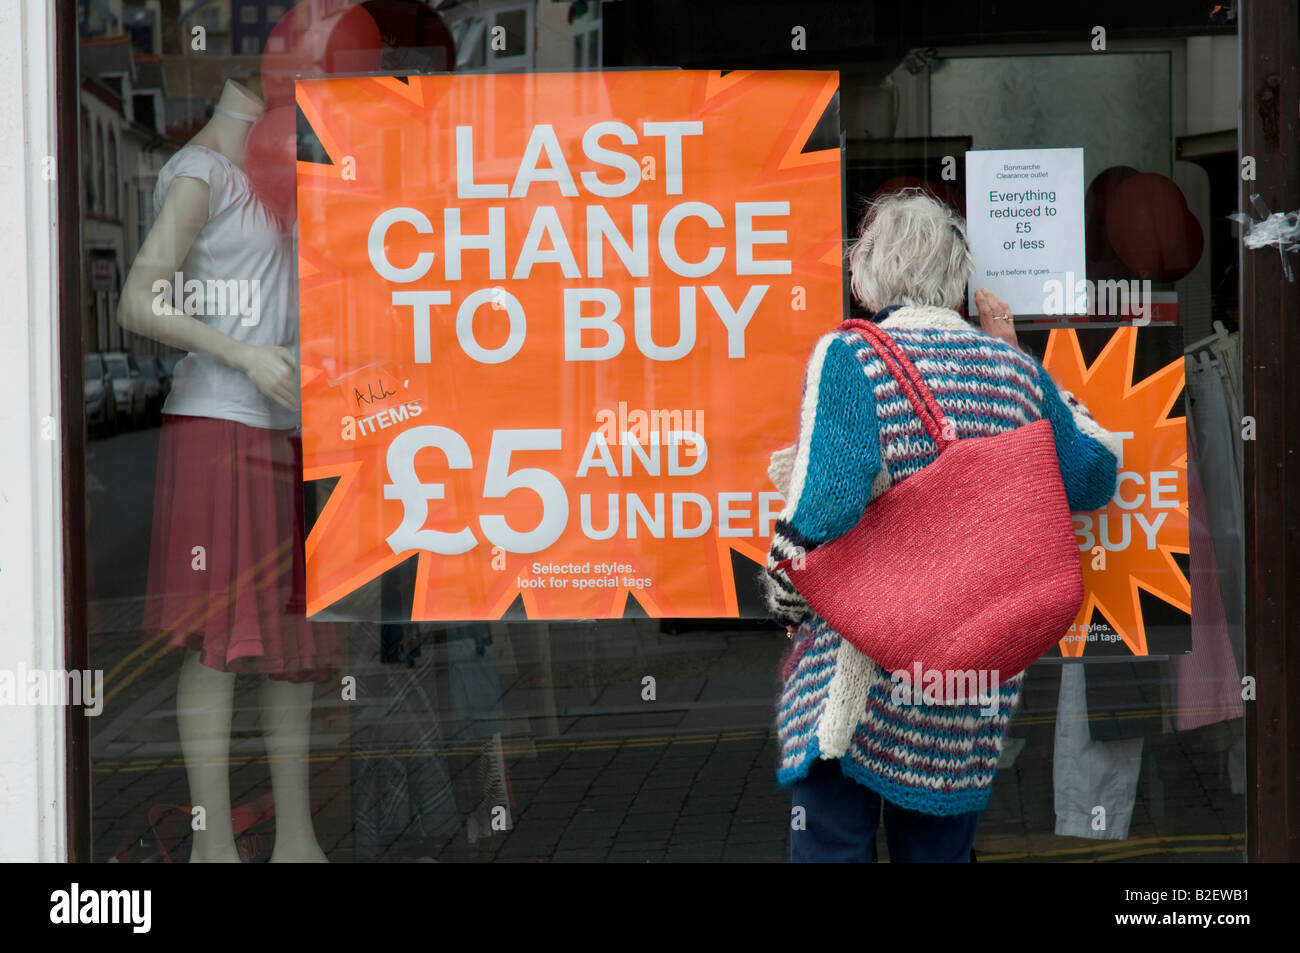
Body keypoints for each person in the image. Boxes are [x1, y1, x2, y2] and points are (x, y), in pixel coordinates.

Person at [763, 189, 1120, 863]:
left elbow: (829, 503)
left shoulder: (852, 357)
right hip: (965, 677)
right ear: (957, 274)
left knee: (834, 844)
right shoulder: (1013, 372)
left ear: (867, 271)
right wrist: (1031, 367)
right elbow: (1094, 475)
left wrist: (783, 584)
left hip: (860, 677)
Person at [119, 77, 340, 862]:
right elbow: (138, 301)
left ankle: (298, 839)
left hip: (285, 432)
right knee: (215, 642)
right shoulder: (200, 170)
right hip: (217, 425)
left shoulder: (281, 167)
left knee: (291, 649)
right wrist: (242, 352)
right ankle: (215, 846)